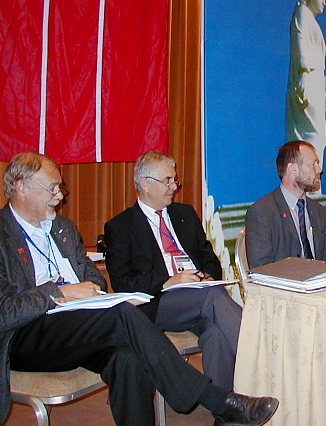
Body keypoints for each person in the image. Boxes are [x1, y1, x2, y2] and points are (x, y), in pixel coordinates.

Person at [0, 152, 278, 426]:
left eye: (60, 187)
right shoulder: (0, 233)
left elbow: (94, 279)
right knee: (122, 313)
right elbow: (2, 313)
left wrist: (84, 292)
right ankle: (218, 399)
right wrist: (60, 292)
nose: (60, 195)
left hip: (79, 323)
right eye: (52, 188)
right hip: (27, 334)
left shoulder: (62, 228)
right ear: (21, 188)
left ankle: (224, 399)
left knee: (128, 359)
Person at [104, 151, 242, 392]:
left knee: (215, 333)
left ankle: (226, 405)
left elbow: (209, 259)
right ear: (145, 183)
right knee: (212, 297)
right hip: (157, 303)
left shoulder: (185, 214)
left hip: (198, 295)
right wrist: (169, 281)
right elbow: (122, 282)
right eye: (167, 181)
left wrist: (208, 277)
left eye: (174, 180)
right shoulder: (121, 226)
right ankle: (262, 359)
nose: (174, 186)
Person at [245, 140, 326, 268]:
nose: (319, 170)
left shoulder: (317, 210)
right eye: (312, 164)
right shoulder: (262, 212)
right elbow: (261, 268)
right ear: (293, 168)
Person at [285, 0, 326, 169]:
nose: (324, 2)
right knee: (312, 135)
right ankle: (307, 176)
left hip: (314, 79)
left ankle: (311, 177)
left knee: (317, 135)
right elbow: (300, 43)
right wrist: (304, 74)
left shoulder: (309, 18)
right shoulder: (302, 12)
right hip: (307, 78)